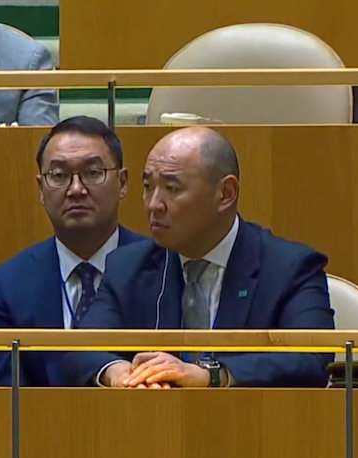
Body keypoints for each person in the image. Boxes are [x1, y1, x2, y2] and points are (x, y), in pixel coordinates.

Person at [62, 126, 334, 388]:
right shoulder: (127, 268)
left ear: (225, 193)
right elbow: (80, 350)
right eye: (148, 186)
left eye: (172, 188)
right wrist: (118, 372)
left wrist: (211, 375)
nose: (154, 204)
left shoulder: (289, 268)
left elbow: (313, 360)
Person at [0, 117, 147, 386]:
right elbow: (5, 397)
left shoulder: (160, 266)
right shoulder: (9, 284)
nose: (76, 189)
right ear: (41, 189)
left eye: (93, 173)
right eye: (59, 176)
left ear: (122, 183)